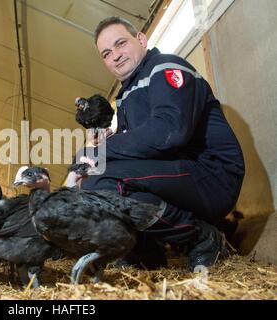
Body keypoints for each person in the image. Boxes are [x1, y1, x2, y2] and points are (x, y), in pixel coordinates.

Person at [79, 16, 245, 270]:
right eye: (106, 53)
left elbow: (170, 131)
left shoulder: (165, 67)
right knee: (94, 178)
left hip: (211, 176)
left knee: (103, 181)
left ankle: (201, 237)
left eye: (120, 43)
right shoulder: (125, 96)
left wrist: (100, 151)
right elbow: (141, 148)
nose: (115, 56)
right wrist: (105, 146)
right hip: (180, 176)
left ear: (141, 39)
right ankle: (146, 255)